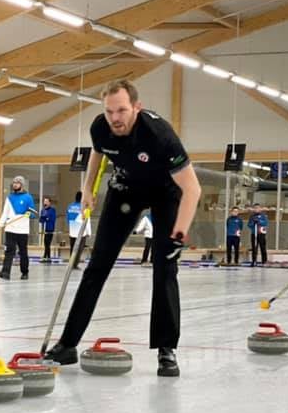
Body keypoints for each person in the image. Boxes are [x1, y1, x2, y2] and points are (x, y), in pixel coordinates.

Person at [43, 79, 201, 377]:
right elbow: (98, 153)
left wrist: (178, 234)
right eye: (109, 111)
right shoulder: (100, 128)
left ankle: (167, 350)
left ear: (136, 108)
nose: (115, 117)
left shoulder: (160, 135)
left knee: (165, 268)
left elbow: (192, 189)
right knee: (97, 266)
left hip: (166, 194)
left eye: (122, 111)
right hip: (125, 190)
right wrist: (88, 187)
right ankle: (67, 345)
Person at [0, 175, 34, 280]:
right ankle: (6, 273)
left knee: (23, 252)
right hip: (10, 229)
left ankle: (25, 272)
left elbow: (33, 213)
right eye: (14, 183)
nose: (15, 185)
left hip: (23, 230)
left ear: (21, 185)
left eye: (17, 183)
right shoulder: (9, 198)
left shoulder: (28, 197)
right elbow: (4, 214)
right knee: (9, 251)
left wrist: (28, 214)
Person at [66, 191, 91, 268]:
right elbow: (87, 221)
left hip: (72, 229)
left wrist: (70, 228)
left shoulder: (70, 206)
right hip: (80, 231)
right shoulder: (84, 208)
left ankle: (71, 263)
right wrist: (88, 232)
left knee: (72, 248)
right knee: (79, 249)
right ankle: (75, 264)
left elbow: (67, 218)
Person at [39, 196, 57, 263]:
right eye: (44, 201)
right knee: (45, 244)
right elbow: (41, 220)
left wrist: (46, 218)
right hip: (44, 229)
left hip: (50, 229)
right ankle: (47, 257)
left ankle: (46, 257)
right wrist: (45, 218)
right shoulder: (43, 210)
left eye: (46, 201)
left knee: (47, 244)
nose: (45, 203)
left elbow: (52, 219)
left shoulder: (52, 210)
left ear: (50, 202)